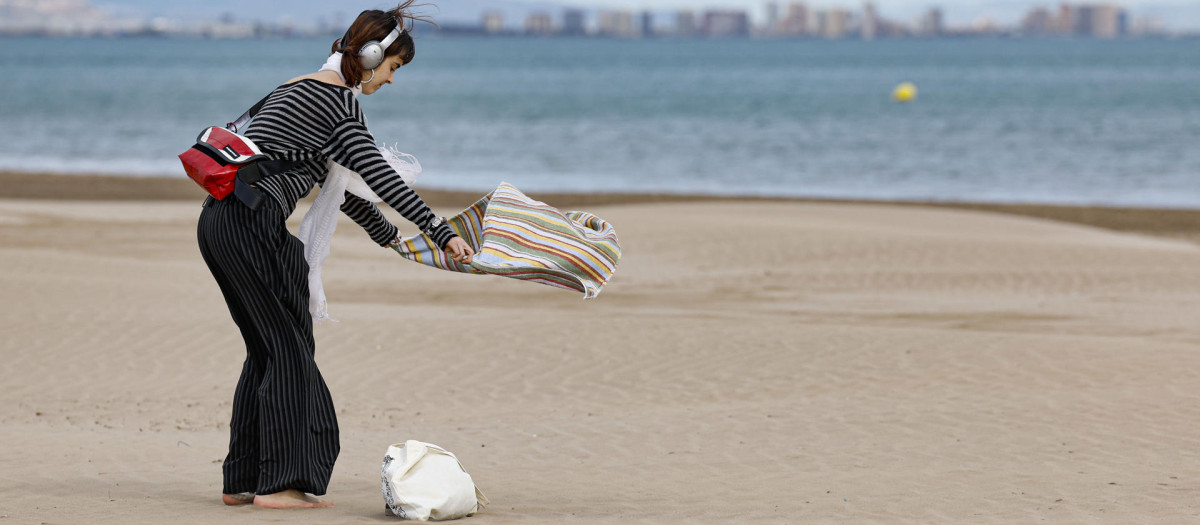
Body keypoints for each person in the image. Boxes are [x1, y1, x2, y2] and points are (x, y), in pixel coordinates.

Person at [196, 2, 472, 510]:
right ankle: (279, 485)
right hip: (248, 226)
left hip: (223, 224)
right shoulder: (336, 105)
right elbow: (381, 178)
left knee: (272, 346)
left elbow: (340, 186)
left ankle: (242, 481)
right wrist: (439, 231)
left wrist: (389, 238)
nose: (391, 81)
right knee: (288, 350)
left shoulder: (295, 87)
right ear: (370, 57)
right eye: (392, 69)